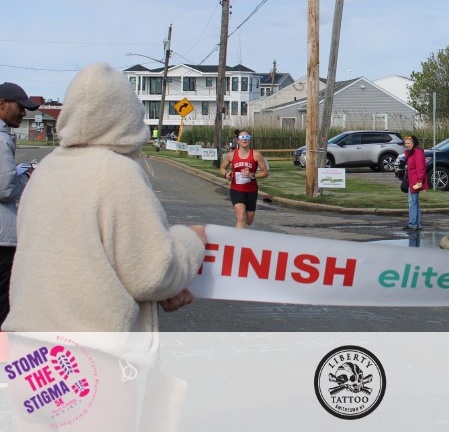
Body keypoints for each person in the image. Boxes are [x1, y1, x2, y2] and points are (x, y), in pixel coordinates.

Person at [3, 63, 206, 332]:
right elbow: (152, 274)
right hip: (90, 345)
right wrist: (191, 241)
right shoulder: (116, 171)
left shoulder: (46, 169)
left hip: (30, 343)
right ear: (128, 115)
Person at [0, 82, 39, 325]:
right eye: (20, 107)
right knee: (4, 309)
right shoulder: (2, 139)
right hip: (3, 240)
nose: (24, 113)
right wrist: (28, 176)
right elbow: (5, 189)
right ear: (2, 104)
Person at [220, 129, 269, 228]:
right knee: (241, 217)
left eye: (247, 137)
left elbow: (265, 173)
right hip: (236, 189)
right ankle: (239, 236)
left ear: (249, 139)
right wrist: (226, 174)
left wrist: (252, 175)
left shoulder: (256, 155)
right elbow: (222, 168)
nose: (245, 139)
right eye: (242, 137)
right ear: (238, 141)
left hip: (251, 190)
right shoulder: (231, 155)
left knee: (249, 220)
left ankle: (242, 226)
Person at [404, 135, 427, 231]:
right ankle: (417, 224)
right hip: (412, 180)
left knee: (412, 202)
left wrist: (419, 181)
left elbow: (420, 168)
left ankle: (413, 224)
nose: (407, 145)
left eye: (409, 143)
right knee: (414, 202)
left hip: (416, 181)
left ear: (414, 143)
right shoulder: (410, 152)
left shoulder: (417, 152)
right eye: (406, 143)